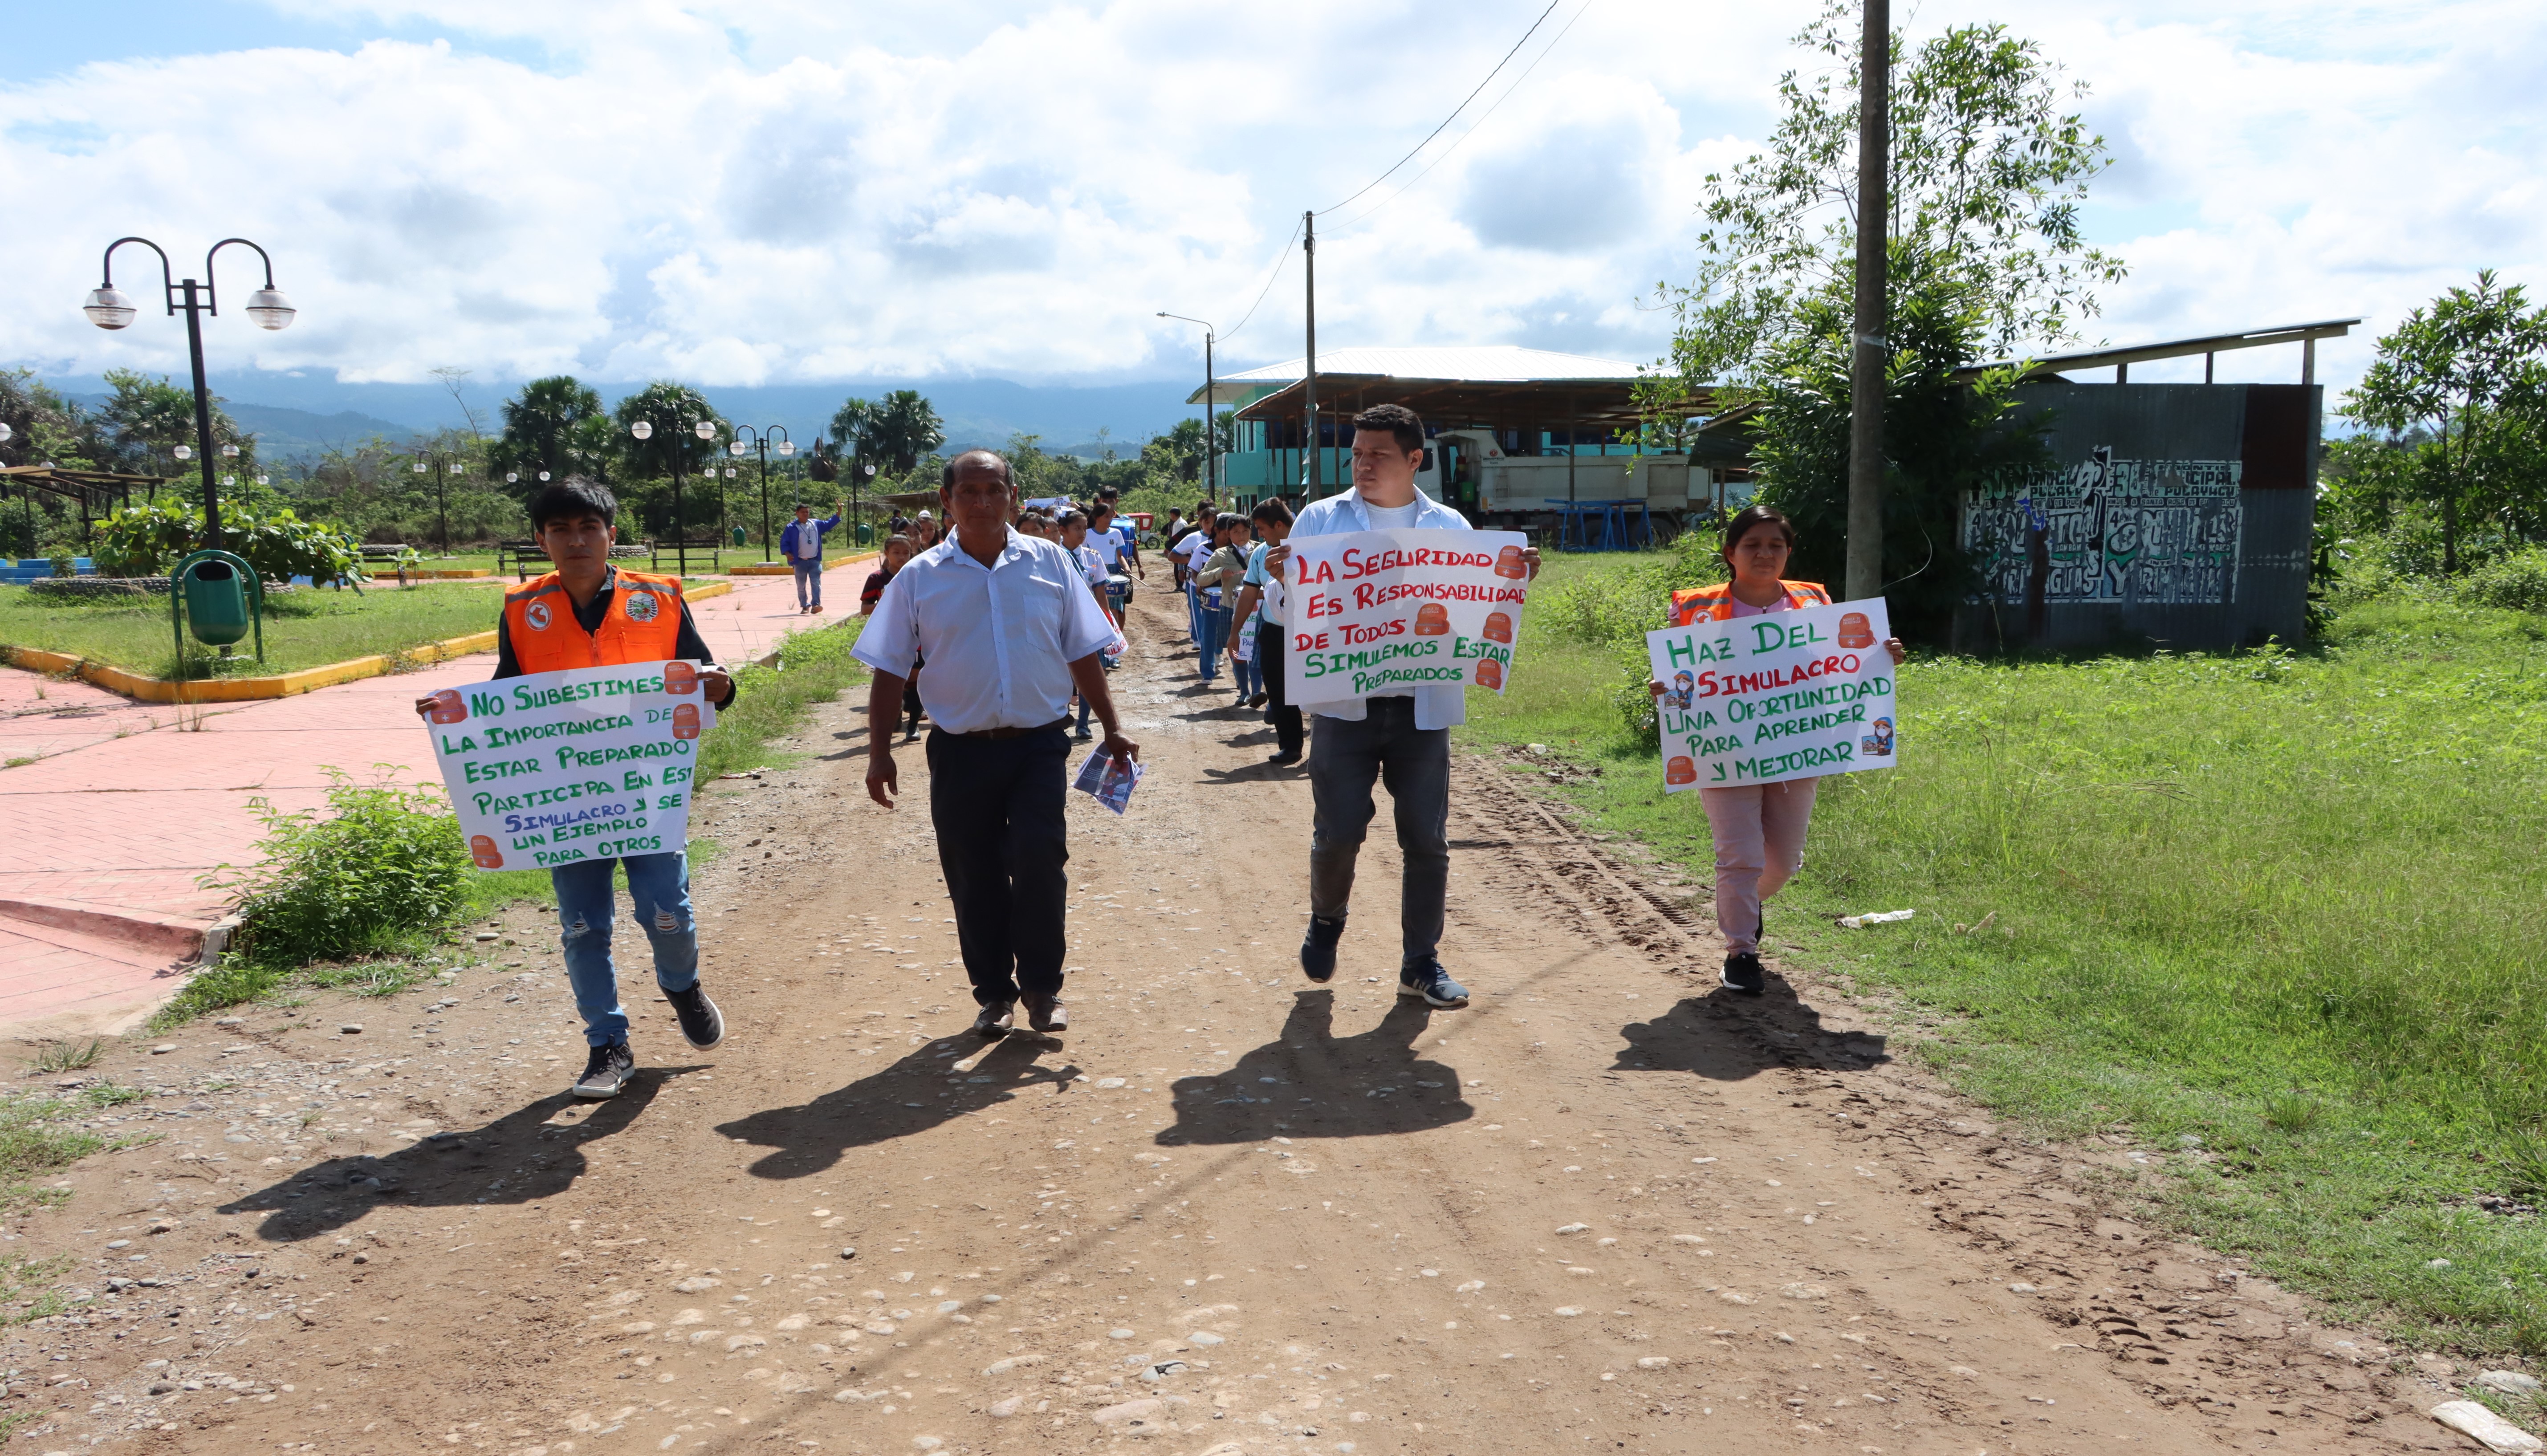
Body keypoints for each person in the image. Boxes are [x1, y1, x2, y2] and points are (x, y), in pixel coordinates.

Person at [411, 477, 734, 1100]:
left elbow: (704, 676)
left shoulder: (661, 598)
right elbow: (511, 694)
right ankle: (606, 1043)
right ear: (541, 540)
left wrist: (721, 687)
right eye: (560, 529)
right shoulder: (521, 608)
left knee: (668, 912)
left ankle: (682, 985)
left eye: (589, 527)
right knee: (584, 925)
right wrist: (458, 714)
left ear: (612, 535)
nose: (576, 539)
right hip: (565, 801)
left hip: (645, 792)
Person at [1264, 403, 1538, 1010]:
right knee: (1338, 833)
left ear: (1414, 460)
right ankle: (1327, 918)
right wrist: (1288, 584)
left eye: (1378, 454)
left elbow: (1474, 611)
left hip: (1422, 710)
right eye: (1357, 453)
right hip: (1344, 708)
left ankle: (1420, 963)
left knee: (1427, 840)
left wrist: (1511, 583)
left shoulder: (1451, 529)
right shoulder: (1320, 520)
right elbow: (1287, 618)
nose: (1363, 463)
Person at [856, 451, 1139, 1037]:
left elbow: (1082, 648)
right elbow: (888, 669)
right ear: (946, 500)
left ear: (1015, 495)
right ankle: (994, 993)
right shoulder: (918, 577)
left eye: (994, 490)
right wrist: (879, 751)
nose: (982, 501)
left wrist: (1112, 726)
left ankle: (1042, 988)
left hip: (1039, 744)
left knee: (1040, 858)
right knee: (973, 872)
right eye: (969, 491)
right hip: (960, 751)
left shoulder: (1052, 563)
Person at [1649, 504, 1905, 995]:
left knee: (1784, 862)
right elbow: (1681, 678)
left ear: (1788, 553)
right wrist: (1664, 689)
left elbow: (1837, 666)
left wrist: (1881, 656)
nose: (1764, 554)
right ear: (1730, 553)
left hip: (1798, 748)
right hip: (1722, 747)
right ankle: (1741, 952)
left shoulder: (1814, 602)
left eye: (1775, 546)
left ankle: (1745, 904)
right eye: (1752, 545)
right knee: (1738, 856)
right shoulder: (1693, 608)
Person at [1228, 497, 1298, 758]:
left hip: (1312, 633)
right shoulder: (1260, 554)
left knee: (1320, 688)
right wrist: (1235, 632)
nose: (1258, 534)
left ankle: (1328, 751)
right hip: (1274, 632)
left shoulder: (1312, 546)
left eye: (1261, 528)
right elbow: (1248, 595)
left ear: (1279, 525)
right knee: (1278, 691)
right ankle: (1290, 747)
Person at [1058, 508, 1123, 742]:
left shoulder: (1093, 557)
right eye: (1077, 528)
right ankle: (1062, 717)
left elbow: (1100, 591)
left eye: (1085, 528)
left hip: (1088, 622)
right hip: (1062, 621)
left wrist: (1107, 619)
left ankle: (1083, 723)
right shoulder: (1055, 556)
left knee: (1091, 670)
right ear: (1062, 531)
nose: (1083, 533)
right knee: (1063, 674)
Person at [1197, 513, 1254, 698]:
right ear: (1228, 534)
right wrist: (1220, 572)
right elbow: (1201, 578)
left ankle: (1255, 688)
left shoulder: (1260, 550)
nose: (1241, 536)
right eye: (1236, 532)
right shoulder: (1221, 554)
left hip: (1257, 607)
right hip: (1231, 606)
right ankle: (1243, 686)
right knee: (1235, 647)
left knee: (1256, 649)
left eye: (1245, 531)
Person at [779, 500, 843, 614]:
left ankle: (816, 605)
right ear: (797, 513)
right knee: (801, 586)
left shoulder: (815, 524)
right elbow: (785, 542)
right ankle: (804, 606)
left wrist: (839, 512)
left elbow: (829, 524)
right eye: (803, 512)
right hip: (800, 562)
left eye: (807, 512)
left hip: (814, 560)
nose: (806, 514)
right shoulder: (791, 527)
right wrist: (787, 553)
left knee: (816, 583)